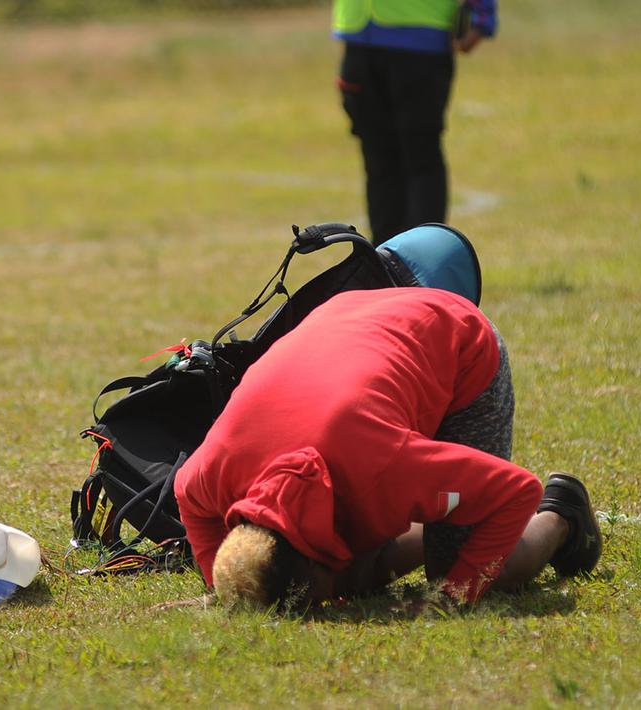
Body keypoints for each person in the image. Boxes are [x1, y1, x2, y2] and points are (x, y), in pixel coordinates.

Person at [173, 287, 601, 608]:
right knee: (368, 562)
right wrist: (220, 589)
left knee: (451, 563)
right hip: (347, 317)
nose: (329, 605)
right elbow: (185, 492)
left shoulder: (381, 467)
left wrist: (453, 597)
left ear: (317, 565)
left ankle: (563, 515)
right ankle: (439, 523)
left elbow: (516, 491)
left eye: (317, 602)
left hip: (455, 337)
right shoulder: (216, 476)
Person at [333, 0, 498, 244]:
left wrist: (482, 15)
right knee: (378, 160)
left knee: (421, 158)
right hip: (359, 39)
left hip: (422, 40)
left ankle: (424, 265)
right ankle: (385, 267)